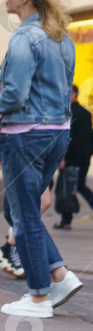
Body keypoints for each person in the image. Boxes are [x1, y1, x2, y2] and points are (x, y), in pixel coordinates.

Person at [0, 0, 83, 318]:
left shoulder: (25, 38)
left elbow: (15, 94)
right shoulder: (61, 38)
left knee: (22, 215)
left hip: (25, 136)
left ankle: (38, 297)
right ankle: (60, 276)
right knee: (18, 210)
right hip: (57, 134)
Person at [54, 85, 93, 229]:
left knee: (66, 187)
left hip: (71, 157)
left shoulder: (68, 113)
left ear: (74, 94)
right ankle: (66, 220)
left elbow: (67, 137)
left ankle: (66, 221)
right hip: (84, 157)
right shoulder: (85, 112)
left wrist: (62, 157)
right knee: (79, 186)